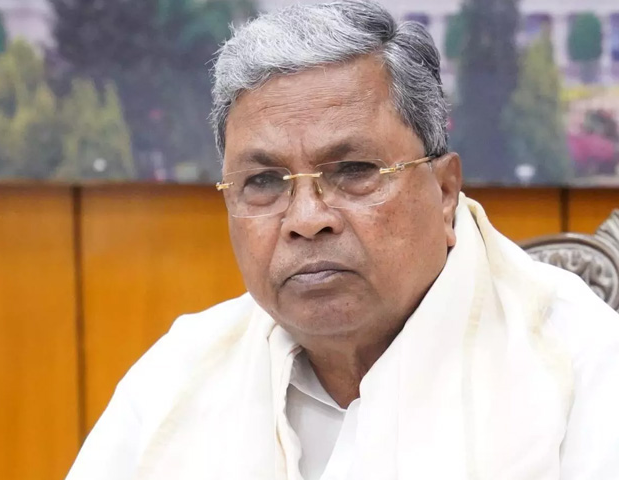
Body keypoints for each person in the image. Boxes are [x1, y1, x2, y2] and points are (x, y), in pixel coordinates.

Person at [66, 2, 619, 479]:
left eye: (354, 171)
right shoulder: (179, 377)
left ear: (445, 191)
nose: (307, 219)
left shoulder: (584, 366)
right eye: (264, 182)